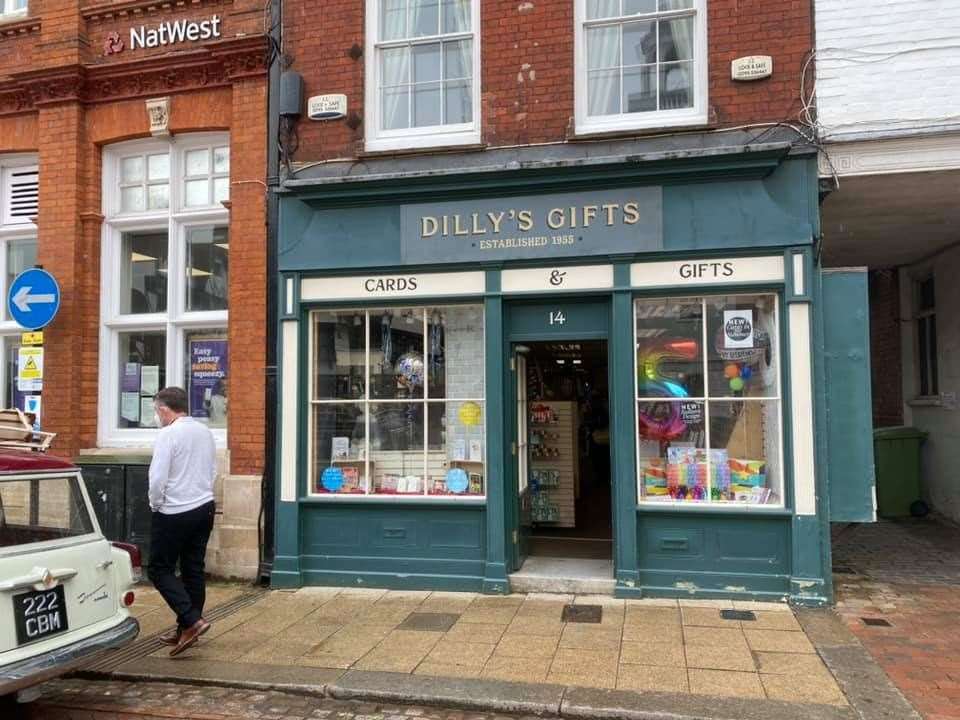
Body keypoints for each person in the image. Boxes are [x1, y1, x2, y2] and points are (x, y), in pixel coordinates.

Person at [147, 386, 217, 657]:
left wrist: (155, 504)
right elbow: (212, 469)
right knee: (193, 569)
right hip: (204, 506)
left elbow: (157, 478)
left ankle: (192, 620)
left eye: (156, 411)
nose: (157, 416)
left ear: (165, 409)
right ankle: (185, 629)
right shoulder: (204, 431)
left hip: (174, 511)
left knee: (159, 569)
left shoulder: (168, 435)